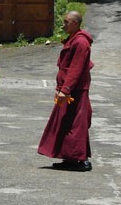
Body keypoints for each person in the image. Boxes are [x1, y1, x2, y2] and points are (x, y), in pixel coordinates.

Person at [37, 11, 93, 171]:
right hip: (68, 89)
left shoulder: (81, 42)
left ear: (75, 23)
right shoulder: (74, 39)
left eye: (67, 22)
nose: (63, 25)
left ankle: (80, 159)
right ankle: (70, 157)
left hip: (76, 90)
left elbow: (75, 69)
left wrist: (66, 89)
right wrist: (59, 88)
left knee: (76, 124)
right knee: (65, 122)